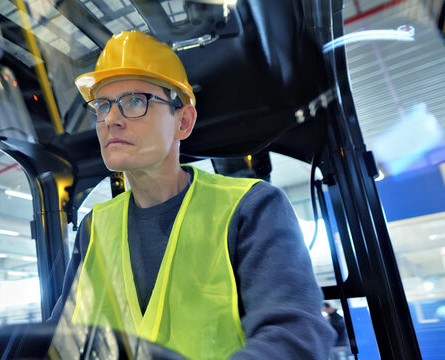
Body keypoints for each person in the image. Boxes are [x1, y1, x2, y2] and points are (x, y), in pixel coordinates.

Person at [49, 30, 335, 359]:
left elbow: (295, 337)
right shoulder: (92, 228)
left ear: (183, 121)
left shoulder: (251, 208)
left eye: (134, 101)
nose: (111, 119)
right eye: (102, 105)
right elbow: (61, 339)